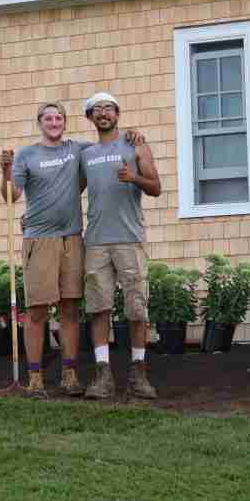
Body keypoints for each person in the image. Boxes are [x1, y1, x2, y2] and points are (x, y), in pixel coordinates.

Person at [0, 101, 141, 398]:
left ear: (65, 122)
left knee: (70, 309)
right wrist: (6, 172)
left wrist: (133, 135)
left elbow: (108, 143)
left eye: (59, 117)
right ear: (40, 122)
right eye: (48, 118)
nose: (54, 122)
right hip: (39, 240)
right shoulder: (27, 154)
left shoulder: (78, 150)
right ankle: (35, 377)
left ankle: (69, 374)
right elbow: (11, 196)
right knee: (37, 310)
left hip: (73, 239)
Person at [79, 92, 162, 400]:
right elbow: (68, 191)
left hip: (130, 239)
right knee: (99, 308)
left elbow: (156, 187)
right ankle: (103, 377)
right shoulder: (85, 155)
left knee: (136, 308)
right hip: (96, 242)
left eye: (108, 108)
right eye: (96, 109)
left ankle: (139, 375)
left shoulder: (135, 144)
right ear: (89, 117)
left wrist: (134, 177)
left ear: (117, 114)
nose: (103, 113)